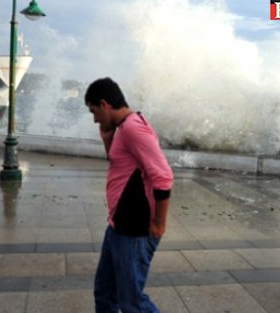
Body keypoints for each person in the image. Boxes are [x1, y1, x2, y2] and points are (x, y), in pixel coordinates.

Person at [84, 77, 173, 313]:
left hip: (134, 230)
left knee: (132, 303)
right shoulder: (123, 128)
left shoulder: (133, 128)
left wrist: (159, 224)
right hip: (117, 226)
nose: (94, 119)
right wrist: (107, 141)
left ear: (104, 104)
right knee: (104, 294)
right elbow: (121, 167)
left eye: (94, 111)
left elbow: (163, 176)